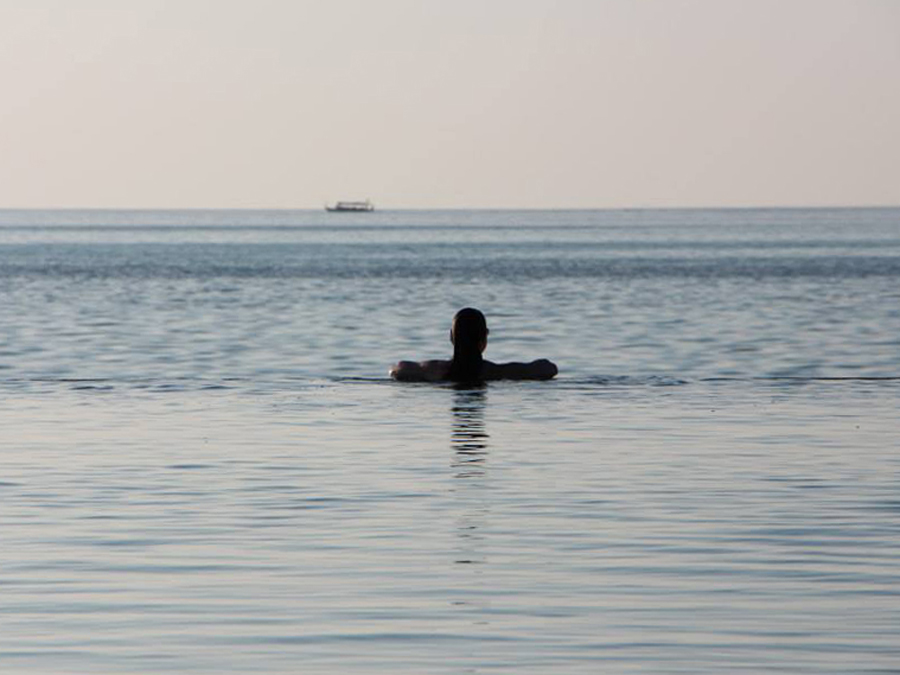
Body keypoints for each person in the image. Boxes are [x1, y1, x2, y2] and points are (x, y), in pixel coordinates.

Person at [390, 308, 558, 382]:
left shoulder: (431, 370)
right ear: (485, 337)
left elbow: (398, 369)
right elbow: (549, 368)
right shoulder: (498, 372)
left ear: (451, 337)